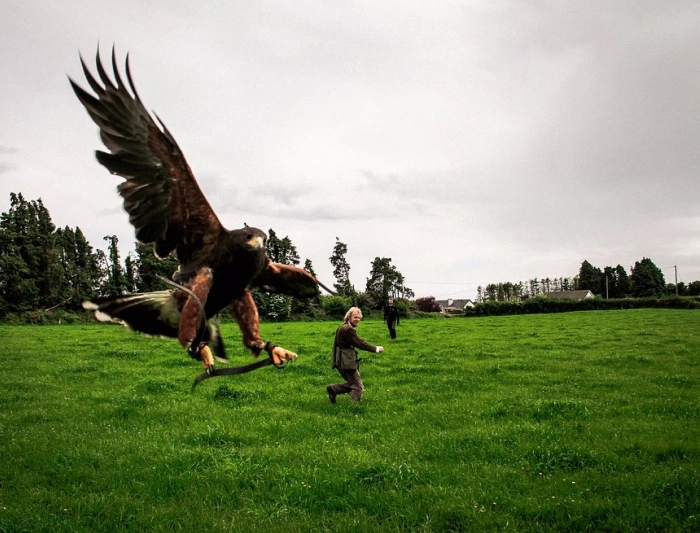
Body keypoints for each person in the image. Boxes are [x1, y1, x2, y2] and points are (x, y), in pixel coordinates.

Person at [327, 307, 384, 403]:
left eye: (359, 318)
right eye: (355, 317)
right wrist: (376, 349)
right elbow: (359, 343)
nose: (357, 319)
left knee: (353, 383)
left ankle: (333, 389)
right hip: (346, 361)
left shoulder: (343, 327)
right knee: (358, 386)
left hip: (341, 360)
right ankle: (354, 406)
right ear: (349, 317)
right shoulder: (347, 329)